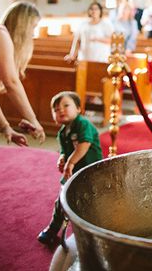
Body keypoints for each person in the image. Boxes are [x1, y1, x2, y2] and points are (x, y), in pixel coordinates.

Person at [37, 90, 103, 246]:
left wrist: (70, 162)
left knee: (91, 203)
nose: (60, 110)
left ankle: (95, 233)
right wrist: (62, 158)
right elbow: (64, 151)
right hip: (72, 172)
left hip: (89, 171)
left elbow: (84, 144)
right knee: (61, 201)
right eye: (56, 109)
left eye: (66, 105)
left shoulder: (83, 124)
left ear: (79, 109)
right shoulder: (62, 132)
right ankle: (53, 229)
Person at [0, 1, 45, 146]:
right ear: (23, 25)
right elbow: (11, 83)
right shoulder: (0, 33)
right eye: (33, 27)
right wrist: (33, 119)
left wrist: (6, 128)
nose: (33, 33)